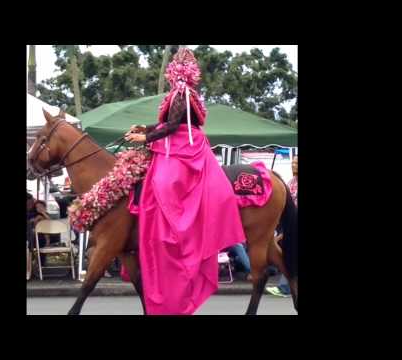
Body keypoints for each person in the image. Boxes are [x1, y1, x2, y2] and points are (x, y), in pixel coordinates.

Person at [124, 48, 245, 315]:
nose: (174, 72)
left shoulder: (182, 93)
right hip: (173, 143)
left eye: (176, 67)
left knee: (165, 184)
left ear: (178, 73)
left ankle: (175, 231)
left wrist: (145, 139)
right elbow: (167, 123)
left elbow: (174, 125)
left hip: (181, 148)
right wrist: (145, 128)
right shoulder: (179, 94)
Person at [266, 155, 298, 297]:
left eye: (296, 163)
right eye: (292, 163)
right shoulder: (290, 182)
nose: (293, 165)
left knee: (291, 253)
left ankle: (285, 287)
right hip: (289, 222)